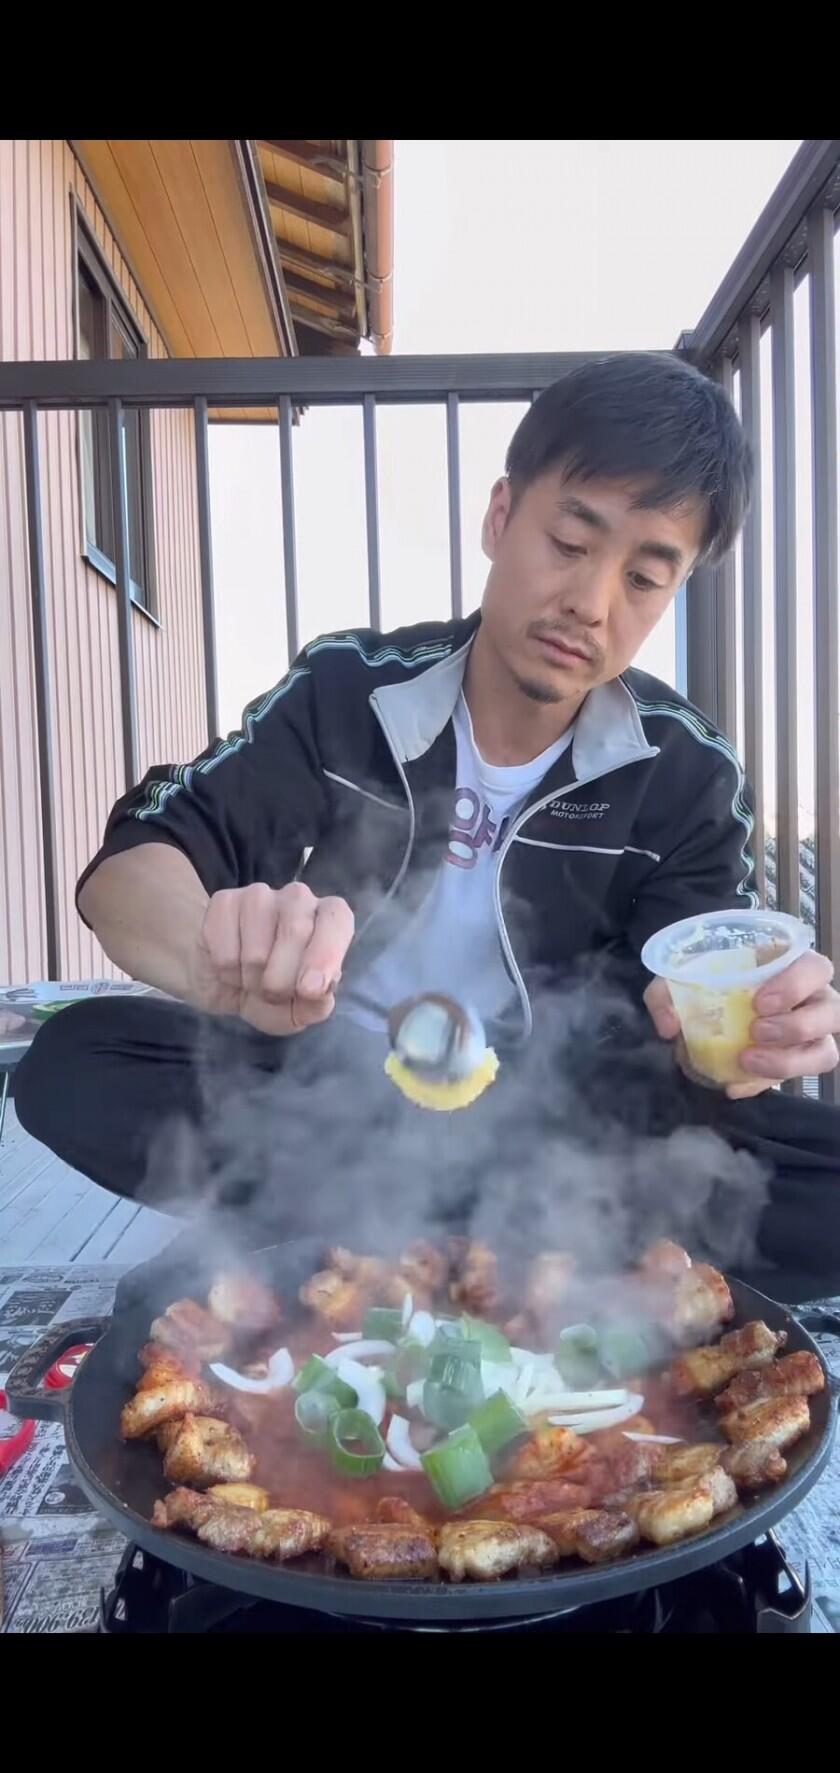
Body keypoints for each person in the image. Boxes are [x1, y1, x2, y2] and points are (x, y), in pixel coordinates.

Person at [14, 354, 840, 1298]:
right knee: (75, 1060)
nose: (591, 603)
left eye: (645, 578)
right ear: (500, 516)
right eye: (570, 541)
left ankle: (358, 1235)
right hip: (336, 1100)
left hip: (561, 1134)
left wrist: (750, 1036)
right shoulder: (348, 692)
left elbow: (687, 1023)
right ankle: (507, 1249)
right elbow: (133, 865)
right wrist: (220, 960)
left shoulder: (684, 770)